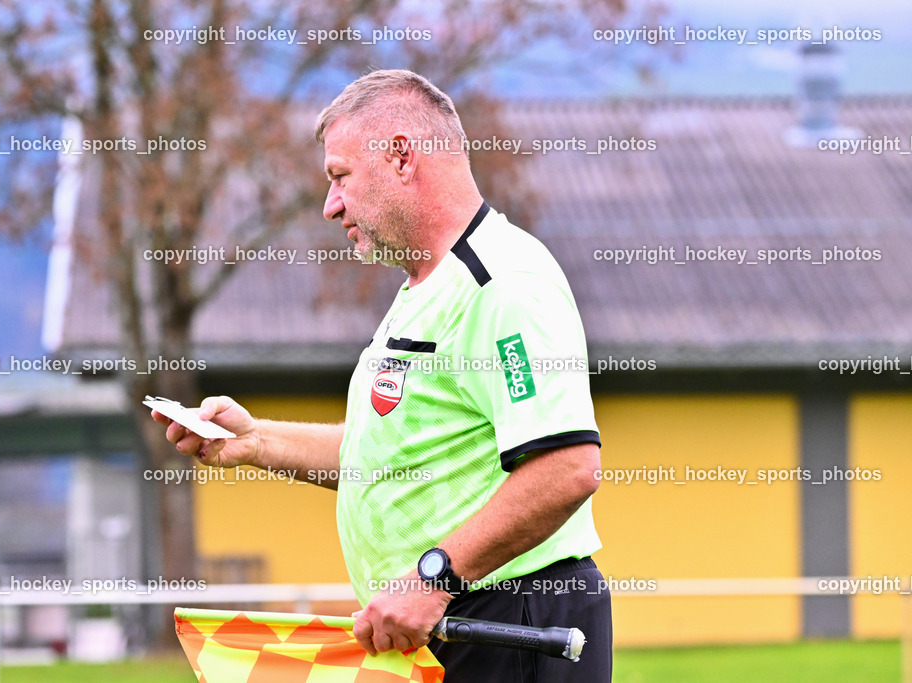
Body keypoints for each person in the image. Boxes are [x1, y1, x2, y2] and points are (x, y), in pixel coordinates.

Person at [153, 69, 612, 682]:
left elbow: (566, 467)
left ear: (400, 158)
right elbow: (390, 455)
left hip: (510, 621)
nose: (329, 203)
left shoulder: (503, 284)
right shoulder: (424, 287)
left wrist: (433, 578)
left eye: (340, 175)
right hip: (444, 620)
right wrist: (256, 442)